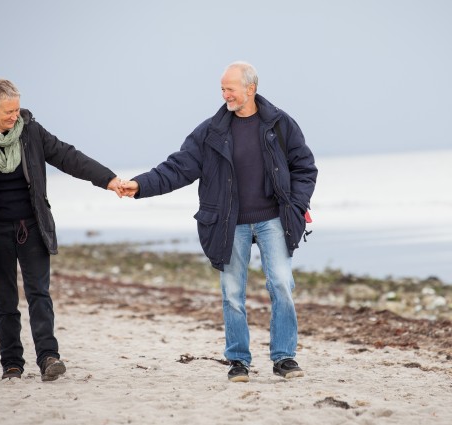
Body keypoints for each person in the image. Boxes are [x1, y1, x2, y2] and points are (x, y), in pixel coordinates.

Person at [121, 62, 318, 382]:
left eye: (230, 88)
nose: (225, 94)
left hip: (273, 220)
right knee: (231, 293)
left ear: (250, 89)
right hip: (229, 224)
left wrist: (296, 206)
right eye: (222, 89)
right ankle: (238, 360)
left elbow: (304, 168)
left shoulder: (280, 124)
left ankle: (284, 358)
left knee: (281, 284)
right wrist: (140, 185)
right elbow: (177, 167)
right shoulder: (212, 131)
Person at [0, 79, 125, 381]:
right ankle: (12, 364)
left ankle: (48, 357)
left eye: (16, 109)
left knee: (39, 295)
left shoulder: (30, 131)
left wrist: (107, 179)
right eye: (7, 112)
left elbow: (68, 157)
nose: (14, 116)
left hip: (32, 227)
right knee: (5, 303)